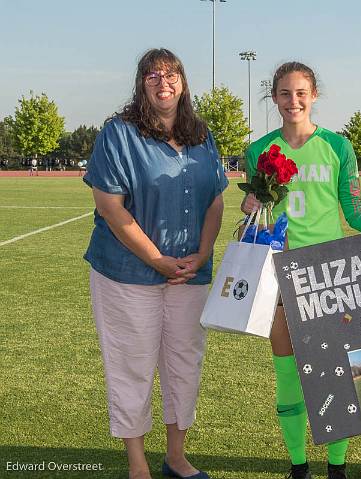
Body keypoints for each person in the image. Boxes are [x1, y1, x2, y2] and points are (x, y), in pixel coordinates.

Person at [240, 61, 361, 479]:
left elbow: (356, 213)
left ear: (314, 96)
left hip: (329, 276)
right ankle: (297, 466)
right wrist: (250, 206)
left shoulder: (338, 146)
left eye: (302, 93)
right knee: (288, 372)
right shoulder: (259, 150)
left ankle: (337, 467)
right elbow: (254, 213)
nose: (294, 101)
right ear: (274, 97)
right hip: (280, 272)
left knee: (336, 375)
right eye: (285, 93)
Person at [84, 48, 227, 479]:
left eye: (172, 74)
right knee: (133, 365)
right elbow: (110, 206)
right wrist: (157, 260)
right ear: (141, 83)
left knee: (184, 363)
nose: (163, 82)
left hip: (190, 275)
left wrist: (201, 253)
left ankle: (176, 457)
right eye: (153, 75)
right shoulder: (118, 133)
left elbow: (216, 200)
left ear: (183, 82)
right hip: (128, 275)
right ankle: (137, 465)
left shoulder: (202, 135)